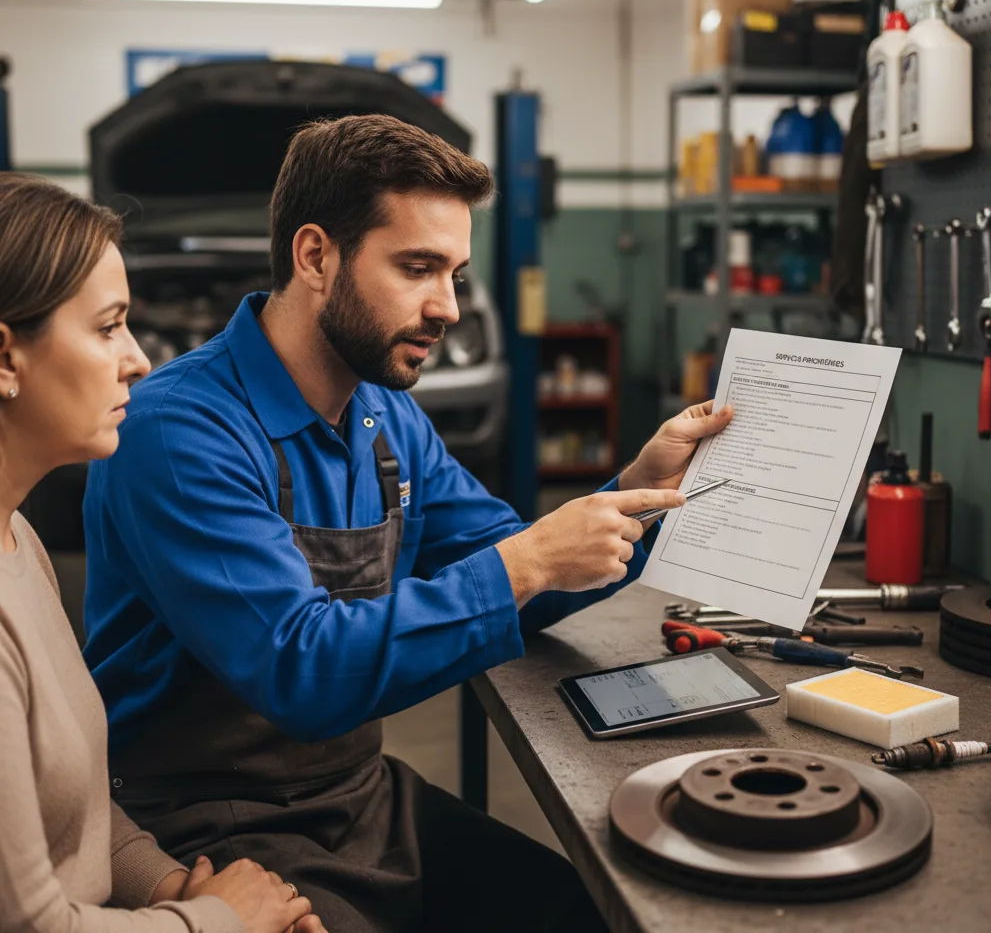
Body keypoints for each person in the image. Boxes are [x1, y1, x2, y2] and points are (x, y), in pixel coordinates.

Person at [82, 114, 733, 933]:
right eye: (418, 268)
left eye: (456, 273)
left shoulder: (385, 415)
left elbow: (516, 569)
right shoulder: (179, 432)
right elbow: (301, 672)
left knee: (593, 913)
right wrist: (527, 562)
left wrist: (638, 492)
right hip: (213, 828)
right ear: (315, 256)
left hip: (364, 799)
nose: (449, 307)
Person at [0, 173, 325, 933]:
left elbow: (69, 813)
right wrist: (216, 921)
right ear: (6, 359)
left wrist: (169, 883)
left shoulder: (19, 539)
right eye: (109, 327)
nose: (140, 360)